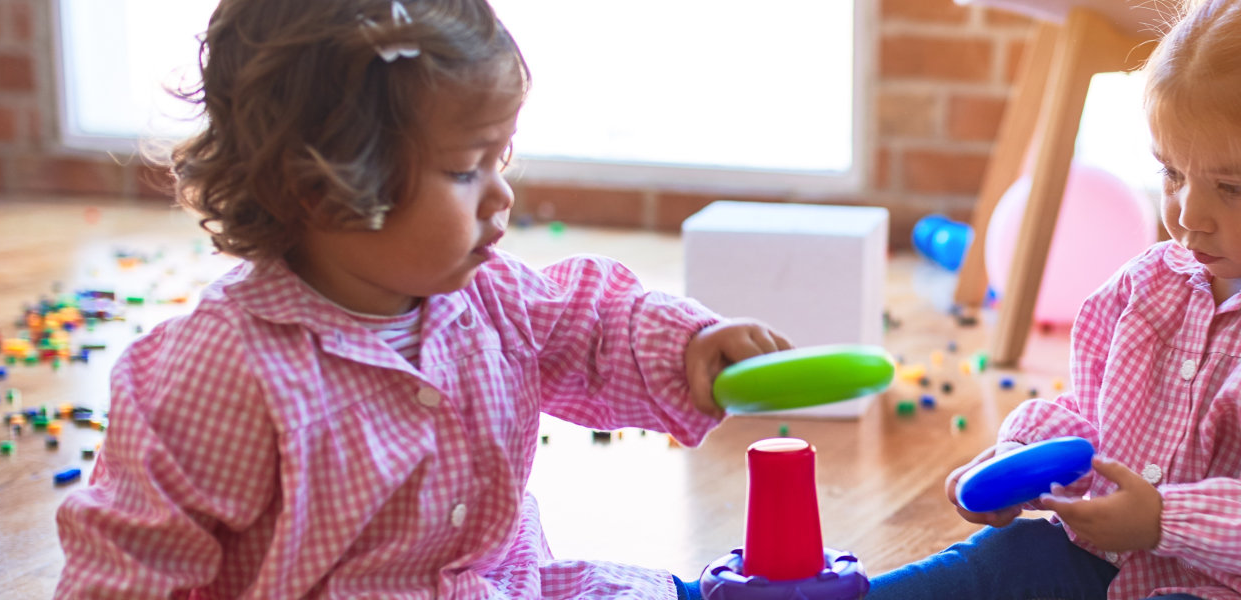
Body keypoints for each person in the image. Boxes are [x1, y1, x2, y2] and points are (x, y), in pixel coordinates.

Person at [55, 1, 789, 597]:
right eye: (466, 170)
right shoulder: (227, 369)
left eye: (499, 159)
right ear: (323, 189)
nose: (502, 195)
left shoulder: (492, 297)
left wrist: (690, 344)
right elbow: (134, 558)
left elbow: (592, 326)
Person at [870, 0, 1241, 598]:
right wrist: (1021, 456)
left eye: (1232, 187)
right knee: (1006, 558)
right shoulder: (1147, 285)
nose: (1189, 215)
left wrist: (1161, 520)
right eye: (1173, 174)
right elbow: (1092, 416)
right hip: (1129, 564)